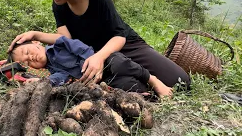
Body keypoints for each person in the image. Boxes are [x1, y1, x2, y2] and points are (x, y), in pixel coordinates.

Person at [8, 0, 190, 97]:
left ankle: (148, 73)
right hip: (93, 57)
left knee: (181, 81)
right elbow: (65, 39)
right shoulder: (59, 5)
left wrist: (99, 56)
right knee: (129, 85)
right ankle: (142, 82)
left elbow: (119, 36)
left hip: (125, 46)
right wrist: (35, 34)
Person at [9, 36, 173, 98]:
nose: (31, 58)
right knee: (128, 89)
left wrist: (92, 63)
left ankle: (154, 80)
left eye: (27, 51)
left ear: (37, 43)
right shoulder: (52, 70)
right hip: (102, 80)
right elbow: (60, 78)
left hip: (102, 62)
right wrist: (43, 82)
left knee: (118, 62)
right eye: (28, 62)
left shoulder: (60, 44)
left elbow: (81, 48)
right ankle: (152, 93)